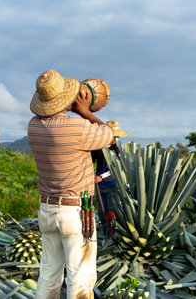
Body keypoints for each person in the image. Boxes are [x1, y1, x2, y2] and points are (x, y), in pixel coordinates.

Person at [27, 69, 114, 298]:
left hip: (47, 210)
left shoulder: (33, 126)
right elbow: (108, 135)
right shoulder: (77, 128)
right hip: (75, 212)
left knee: (49, 273)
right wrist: (84, 111)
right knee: (80, 277)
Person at [92, 120, 128, 248]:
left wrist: (101, 176)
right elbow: (91, 161)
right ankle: (106, 236)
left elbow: (118, 168)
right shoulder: (98, 147)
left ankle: (113, 238)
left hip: (113, 185)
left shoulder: (118, 148)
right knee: (101, 212)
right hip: (99, 185)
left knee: (112, 212)